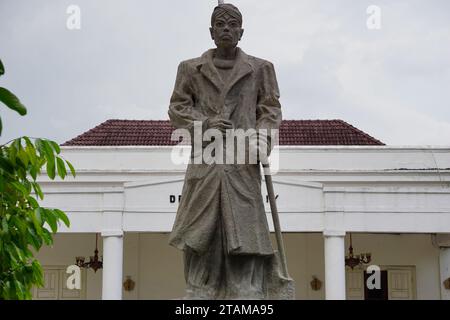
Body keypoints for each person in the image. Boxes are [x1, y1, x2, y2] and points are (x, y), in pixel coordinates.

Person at [168, 3, 282, 299]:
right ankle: (201, 290)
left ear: (241, 32)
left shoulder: (261, 69)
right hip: (205, 164)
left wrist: (263, 139)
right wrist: (204, 124)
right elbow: (177, 108)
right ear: (211, 31)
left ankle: (247, 291)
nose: (227, 29)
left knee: (245, 233)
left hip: (242, 164)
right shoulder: (190, 69)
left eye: (233, 25)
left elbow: (270, 110)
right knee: (202, 235)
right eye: (221, 24)